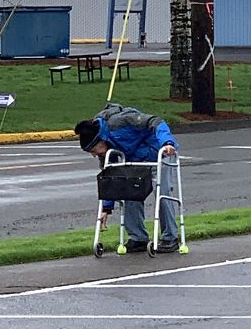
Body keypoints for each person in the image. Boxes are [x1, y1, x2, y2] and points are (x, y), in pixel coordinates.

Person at [75, 102, 179, 253]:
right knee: (129, 193)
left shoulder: (121, 121)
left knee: (162, 192)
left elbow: (155, 121)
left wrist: (167, 142)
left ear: (100, 140)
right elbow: (110, 176)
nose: (94, 154)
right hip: (136, 159)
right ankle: (138, 238)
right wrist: (106, 207)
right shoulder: (107, 150)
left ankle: (170, 237)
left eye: (93, 150)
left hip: (160, 152)